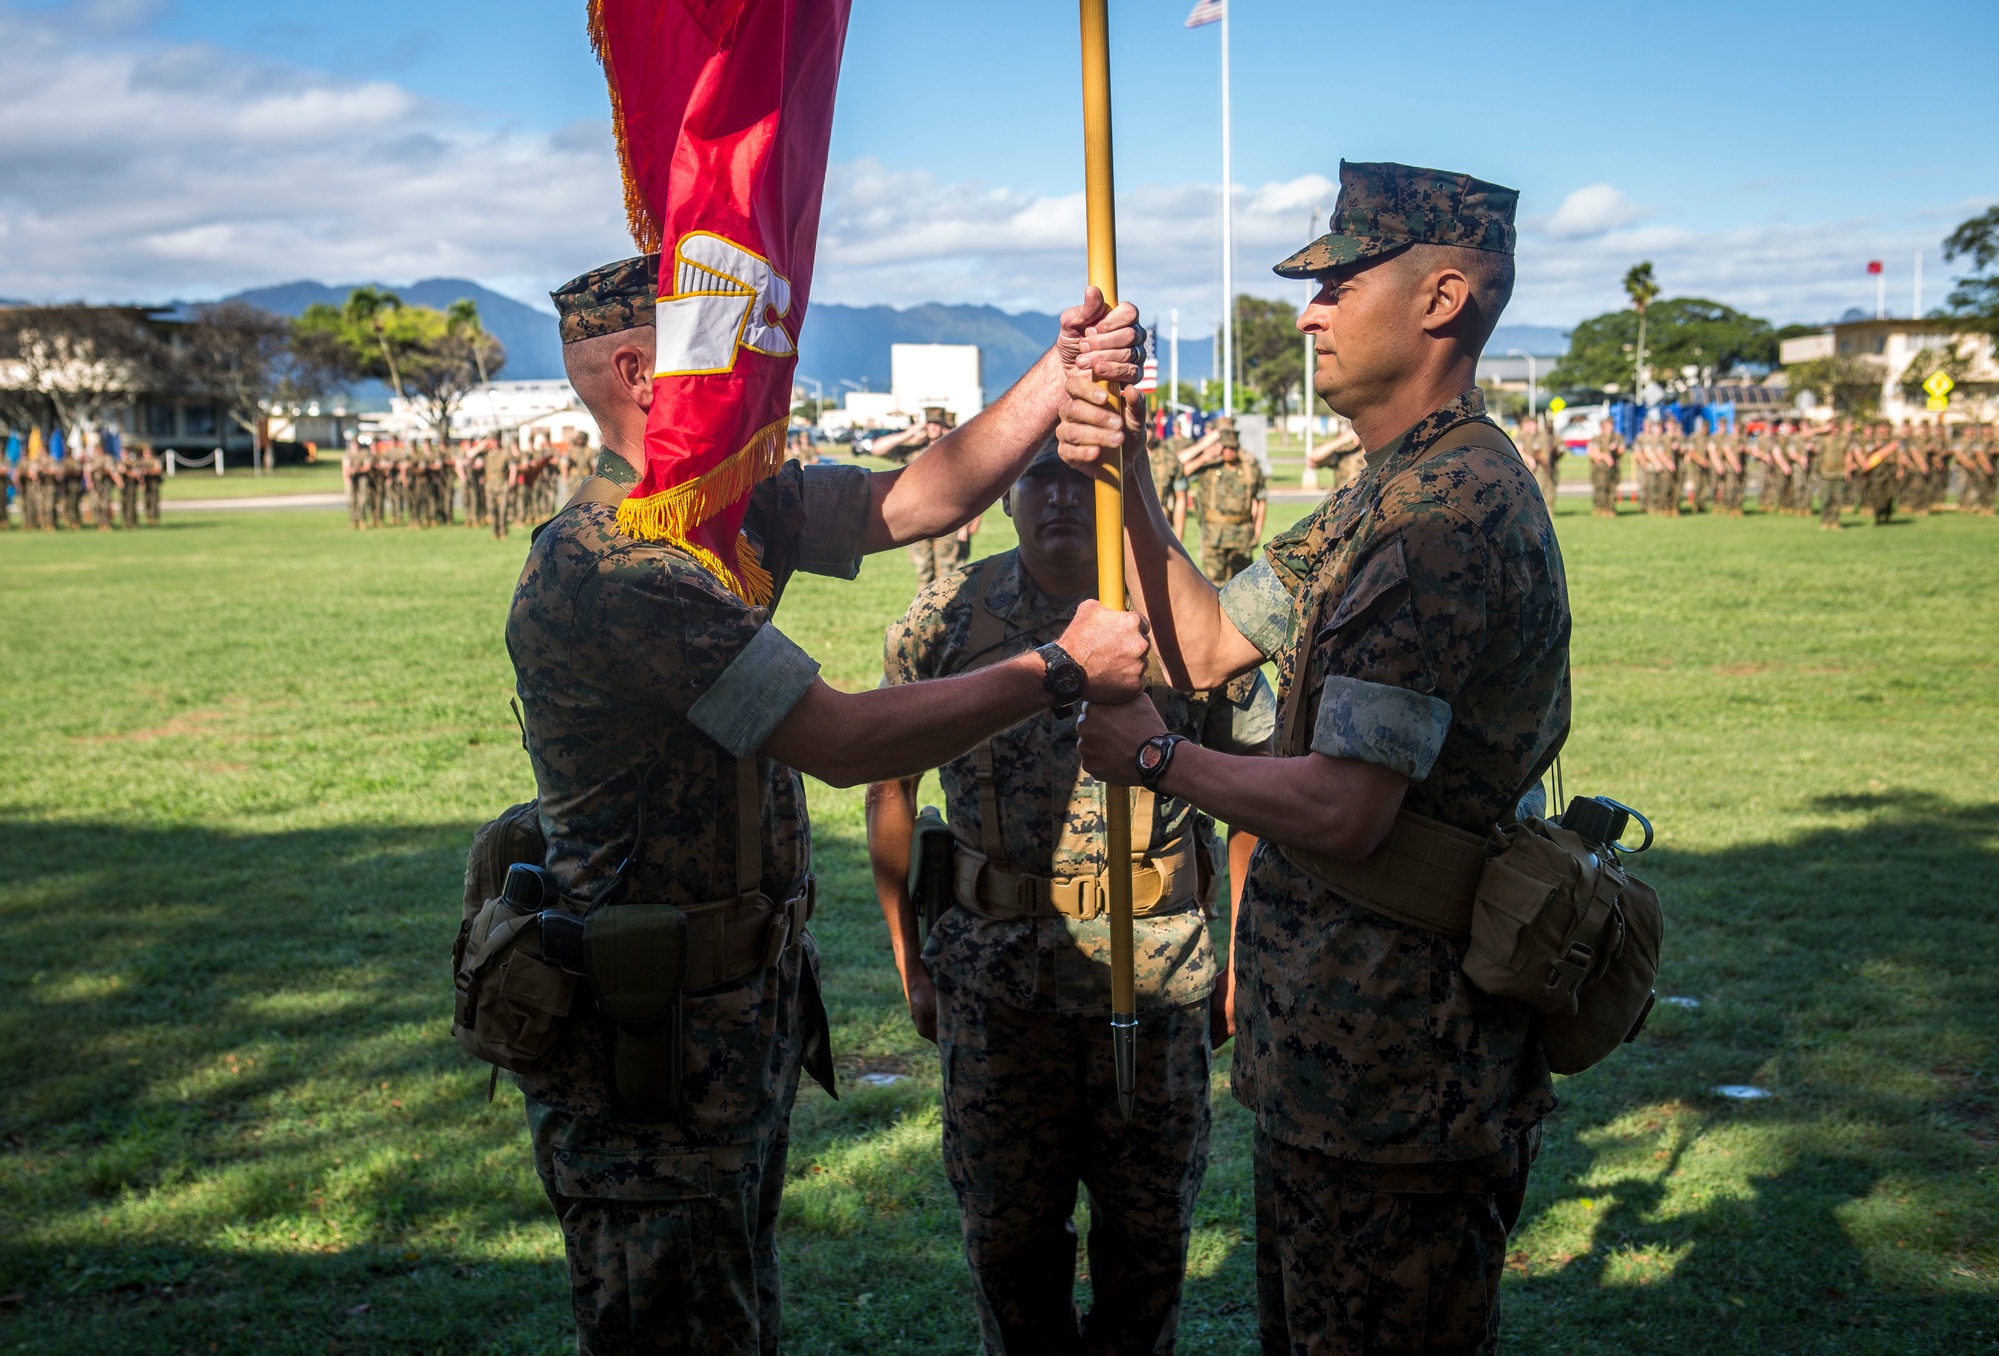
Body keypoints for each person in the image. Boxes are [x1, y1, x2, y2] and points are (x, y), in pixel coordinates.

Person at [508, 254, 1149, 1356]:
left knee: (732, 1313)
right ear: (635, 371)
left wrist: (1060, 371)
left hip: (724, 1022)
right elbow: (843, 742)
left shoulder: (716, 515)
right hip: (650, 1048)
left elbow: (924, 495)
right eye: (725, 357)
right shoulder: (618, 569)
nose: (759, 383)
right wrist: (1056, 667)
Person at [1058, 159, 1567, 1355]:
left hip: (1404, 1080)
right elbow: (1202, 639)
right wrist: (1127, 477)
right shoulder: (1386, 493)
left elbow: (1344, 811)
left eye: (1340, 281)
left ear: (1442, 299)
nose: (1308, 311)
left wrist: (1151, 763)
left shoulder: (1446, 515)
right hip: (1340, 1064)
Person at [866, 443, 1275, 1356]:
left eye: (1079, 476)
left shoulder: (1185, 622)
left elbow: (1253, 792)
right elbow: (889, 786)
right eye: (1037, 475)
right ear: (1005, 494)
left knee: (1149, 1248)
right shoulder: (946, 617)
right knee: (1009, 1253)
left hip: (1157, 977)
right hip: (993, 987)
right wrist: (907, 955)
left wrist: (1240, 955)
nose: (1057, 495)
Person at [1183, 420, 1267, 584]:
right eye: (1225, 447)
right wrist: (1205, 456)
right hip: (1214, 537)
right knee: (1214, 585)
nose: (1228, 451)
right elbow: (1182, 471)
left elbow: (1261, 501)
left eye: (1232, 448)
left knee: (1243, 585)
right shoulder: (1210, 467)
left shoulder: (1250, 468)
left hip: (1241, 536)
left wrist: (1257, 532)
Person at [1586, 416, 1621, 517]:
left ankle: (1610, 509)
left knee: (1612, 488)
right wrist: (1605, 457)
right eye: (1608, 425)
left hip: (1613, 469)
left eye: (1611, 425)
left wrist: (1615, 449)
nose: (1610, 427)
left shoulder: (1616, 438)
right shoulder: (1597, 438)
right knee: (1600, 488)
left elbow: (1622, 450)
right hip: (1600, 469)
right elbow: (1593, 452)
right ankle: (1599, 508)